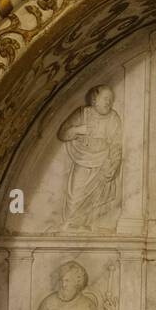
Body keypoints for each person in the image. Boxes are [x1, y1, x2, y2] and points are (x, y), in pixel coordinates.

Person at [56, 85, 124, 231]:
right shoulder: (82, 113)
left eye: (111, 100)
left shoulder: (114, 118)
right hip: (82, 159)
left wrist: (113, 165)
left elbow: (117, 145)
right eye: (105, 98)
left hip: (103, 162)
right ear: (94, 99)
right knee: (75, 194)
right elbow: (62, 133)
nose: (109, 102)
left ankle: (87, 225)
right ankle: (70, 224)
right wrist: (78, 129)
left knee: (97, 197)